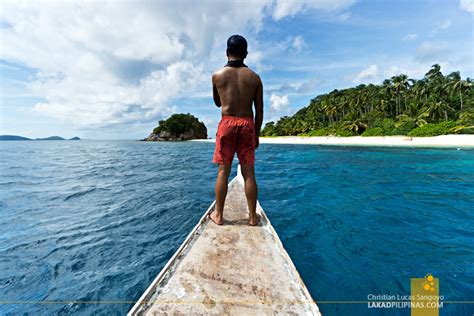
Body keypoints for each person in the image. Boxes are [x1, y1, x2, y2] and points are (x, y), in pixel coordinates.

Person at [208, 34, 263, 226]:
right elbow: (259, 110)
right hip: (248, 124)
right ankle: (252, 217)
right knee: (249, 172)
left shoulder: (217, 76)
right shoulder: (255, 78)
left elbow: (217, 103)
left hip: (227, 124)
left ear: (226, 52)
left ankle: (219, 216)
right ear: (246, 54)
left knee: (223, 171)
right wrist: (256, 134)